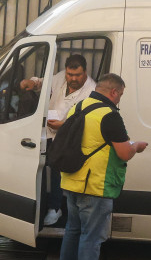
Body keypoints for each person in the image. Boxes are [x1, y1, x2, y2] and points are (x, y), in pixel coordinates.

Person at [56, 73, 148, 260]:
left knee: (72, 230)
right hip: (95, 185)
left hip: (72, 180)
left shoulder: (80, 105)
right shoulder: (109, 115)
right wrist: (136, 145)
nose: (119, 100)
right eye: (121, 95)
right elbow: (124, 152)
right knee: (92, 237)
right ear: (114, 92)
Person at [21, 54, 97, 226]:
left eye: (77, 75)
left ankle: (55, 208)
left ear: (85, 72)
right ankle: (36, 206)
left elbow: (85, 121)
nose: (73, 78)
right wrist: (32, 83)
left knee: (56, 170)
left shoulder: (91, 90)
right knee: (38, 166)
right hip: (47, 131)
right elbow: (43, 82)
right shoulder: (60, 77)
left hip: (69, 137)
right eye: (70, 75)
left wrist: (63, 126)